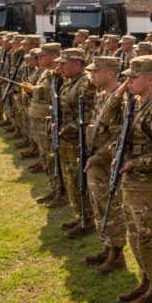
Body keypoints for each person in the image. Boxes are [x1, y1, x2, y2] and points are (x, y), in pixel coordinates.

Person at [105, 55, 152, 303]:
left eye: (134, 77)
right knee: (135, 235)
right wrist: (120, 93)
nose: (127, 81)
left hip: (148, 186)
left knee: (150, 238)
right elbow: (110, 123)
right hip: (132, 185)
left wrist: (135, 163)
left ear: (151, 79)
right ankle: (145, 278)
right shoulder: (135, 103)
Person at [82, 56, 128, 274]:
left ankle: (117, 254)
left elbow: (119, 138)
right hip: (95, 163)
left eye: (96, 71)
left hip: (105, 163)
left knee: (111, 208)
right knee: (99, 206)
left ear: (110, 73)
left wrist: (98, 156)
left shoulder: (120, 100)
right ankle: (108, 246)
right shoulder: (102, 95)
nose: (92, 75)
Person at [55, 47, 97, 237]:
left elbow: (87, 115)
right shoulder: (68, 82)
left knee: (78, 181)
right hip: (67, 140)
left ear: (77, 64)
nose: (60, 67)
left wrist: (67, 128)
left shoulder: (85, 84)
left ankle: (87, 219)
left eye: (64, 63)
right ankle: (80, 214)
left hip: (77, 141)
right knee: (71, 179)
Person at [20, 42, 65, 205]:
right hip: (39, 119)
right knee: (45, 156)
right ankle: (54, 189)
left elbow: (49, 94)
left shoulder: (58, 74)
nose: (39, 58)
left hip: (46, 120)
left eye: (42, 55)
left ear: (53, 56)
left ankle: (61, 192)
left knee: (52, 158)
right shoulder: (46, 73)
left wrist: (34, 89)